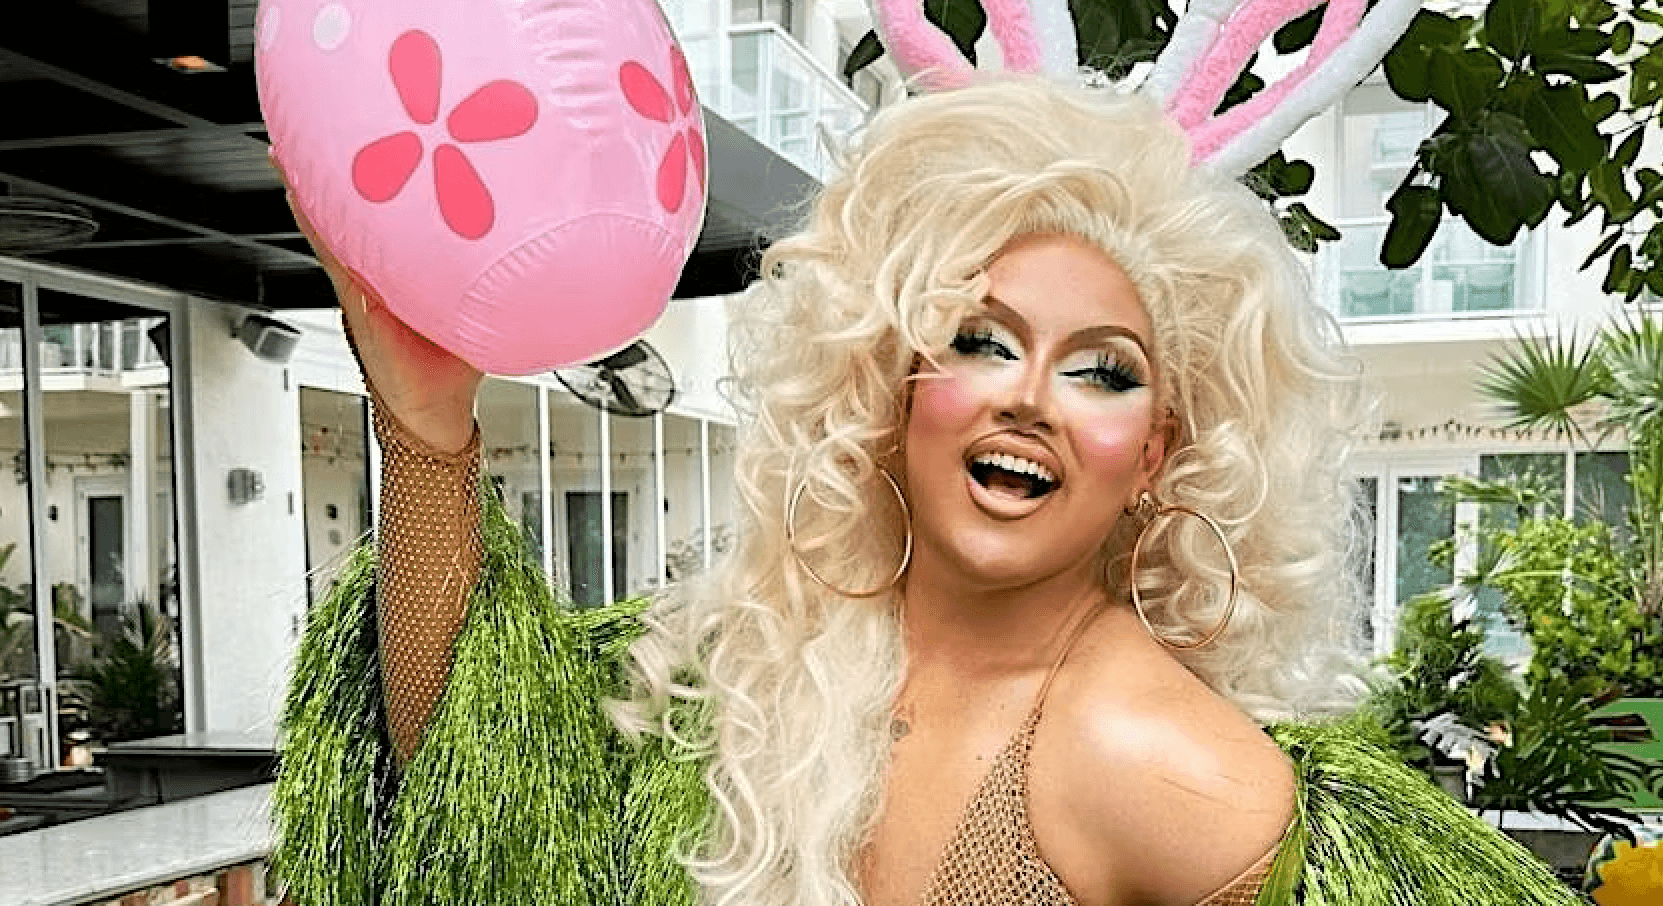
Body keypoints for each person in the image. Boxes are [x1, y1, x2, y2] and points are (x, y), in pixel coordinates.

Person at [274, 65, 1581, 906]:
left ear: (1158, 456)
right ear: (892, 388)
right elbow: (490, 793)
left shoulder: (1156, 759)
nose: (1030, 395)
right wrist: (424, 428)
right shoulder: (761, 667)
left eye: (1104, 371)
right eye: (981, 340)